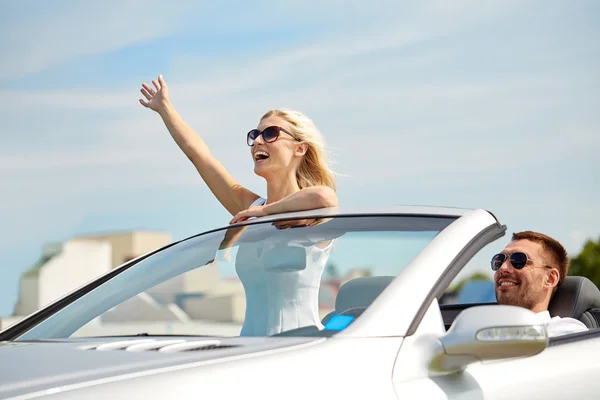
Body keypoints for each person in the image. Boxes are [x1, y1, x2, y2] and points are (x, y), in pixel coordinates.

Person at [139, 75, 339, 336]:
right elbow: (199, 156)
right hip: (246, 352)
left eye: (270, 134)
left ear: (300, 148)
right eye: (255, 135)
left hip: (298, 351)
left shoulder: (309, 212)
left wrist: (263, 213)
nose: (257, 141)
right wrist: (165, 108)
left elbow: (326, 198)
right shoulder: (250, 208)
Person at [491, 230, 588, 337]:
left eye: (518, 260)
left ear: (550, 279)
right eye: (499, 261)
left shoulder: (567, 332)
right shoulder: (485, 330)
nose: (503, 268)